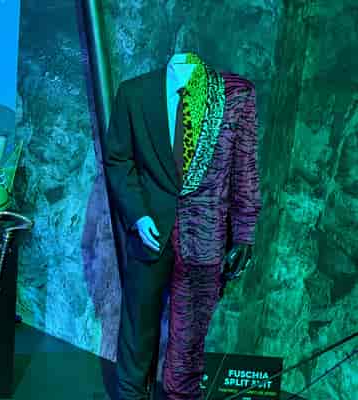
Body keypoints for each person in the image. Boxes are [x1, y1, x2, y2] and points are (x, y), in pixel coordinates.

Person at [101, 52, 261, 400]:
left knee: (188, 340)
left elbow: (244, 167)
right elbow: (118, 159)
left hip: (205, 234)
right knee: (137, 330)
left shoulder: (234, 94)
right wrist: (138, 214)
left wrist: (244, 233)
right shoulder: (134, 92)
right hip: (150, 230)